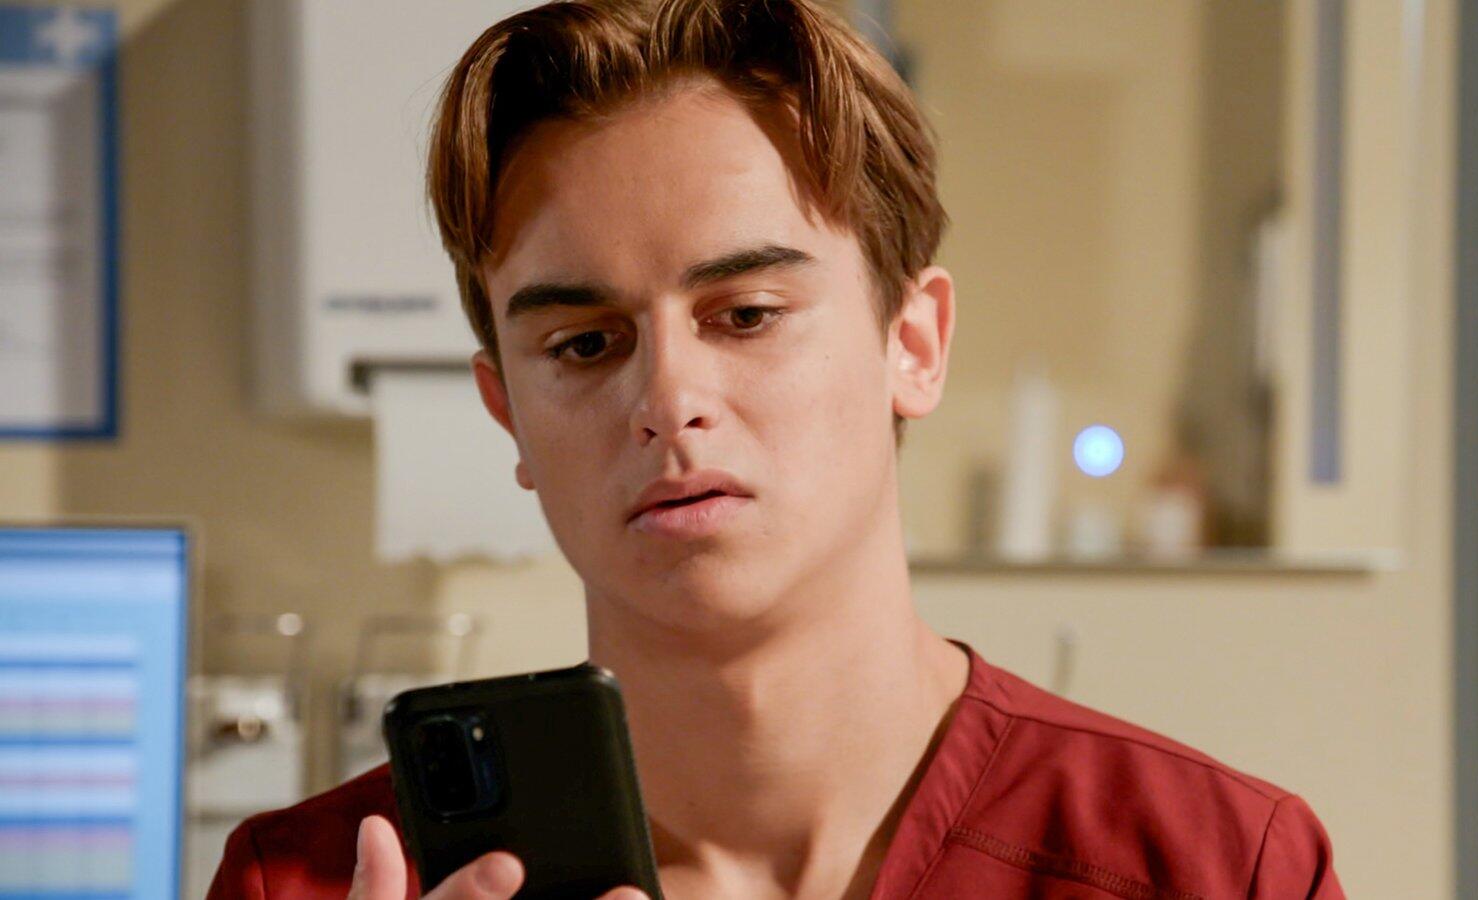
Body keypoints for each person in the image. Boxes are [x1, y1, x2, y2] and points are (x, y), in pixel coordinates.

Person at [207, 1, 1344, 897]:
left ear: (912, 344)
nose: (667, 401)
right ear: (507, 414)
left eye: (746, 315)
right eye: (586, 343)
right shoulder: (316, 884)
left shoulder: (1213, 867)